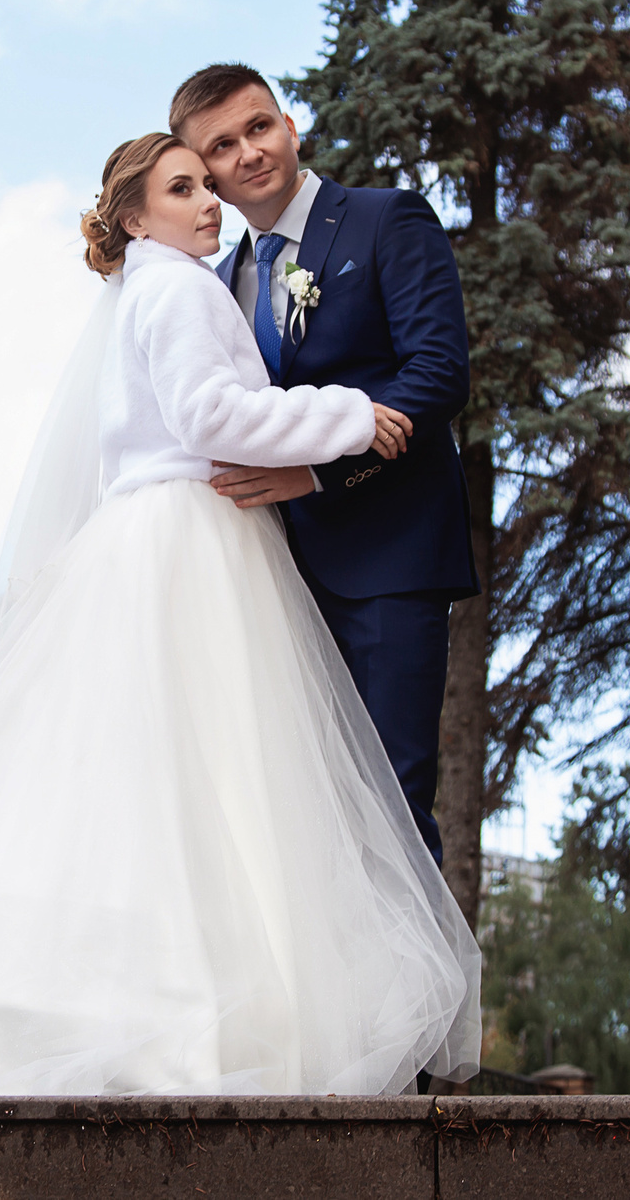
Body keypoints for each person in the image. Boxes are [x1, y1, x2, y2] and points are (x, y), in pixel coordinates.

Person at [0, 133, 480, 1096]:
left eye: (208, 186)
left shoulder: (142, 292)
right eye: (185, 187)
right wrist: (355, 416)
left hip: (152, 537)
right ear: (133, 214)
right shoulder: (184, 288)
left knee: (142, 781)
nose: (210, 203)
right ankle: (200, 1000)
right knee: (216, 774)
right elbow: (209, 415)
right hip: (191, 542)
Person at [171, 65, 476, 862]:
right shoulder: (221, 282)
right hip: (274, 578)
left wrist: (317, 475)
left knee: (389, 802)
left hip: (388, 557)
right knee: (298, 816)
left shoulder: (386, 221)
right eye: (223, 146)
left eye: (259, 127)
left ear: (291, 125)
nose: (249, 153)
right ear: (207, 171)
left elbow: (437, 375)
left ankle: (422, 994)